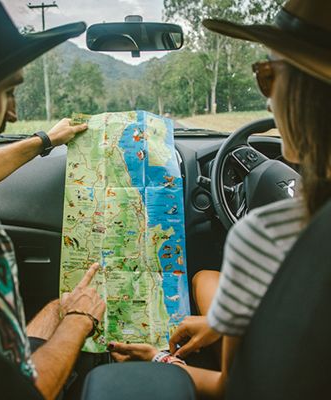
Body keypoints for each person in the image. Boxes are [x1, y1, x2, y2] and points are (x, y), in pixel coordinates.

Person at [109, 0, 331, 397]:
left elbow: (235, 389)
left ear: (305, 96)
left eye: (268, 77)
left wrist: (160, 362)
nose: (267, 100)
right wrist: (220, 324)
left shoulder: (264, 237)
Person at [0, 2, 105, 400]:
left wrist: (46, 140)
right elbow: (23, 390)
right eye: (8, 91)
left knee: (52, 308)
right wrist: (81, 319)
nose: (12, 114)